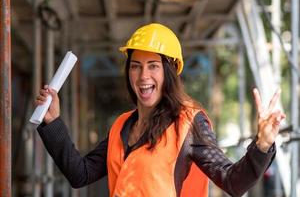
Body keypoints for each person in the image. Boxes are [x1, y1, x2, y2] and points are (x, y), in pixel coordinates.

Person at [35, 23, 285, 197]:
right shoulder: (122, 126)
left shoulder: (189, 123)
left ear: (169, 72)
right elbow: (80, 174)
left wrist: (262, 146)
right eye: (136, 66)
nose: (143, 75)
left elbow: (232, 181)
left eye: (153, 65)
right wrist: (53, 122)